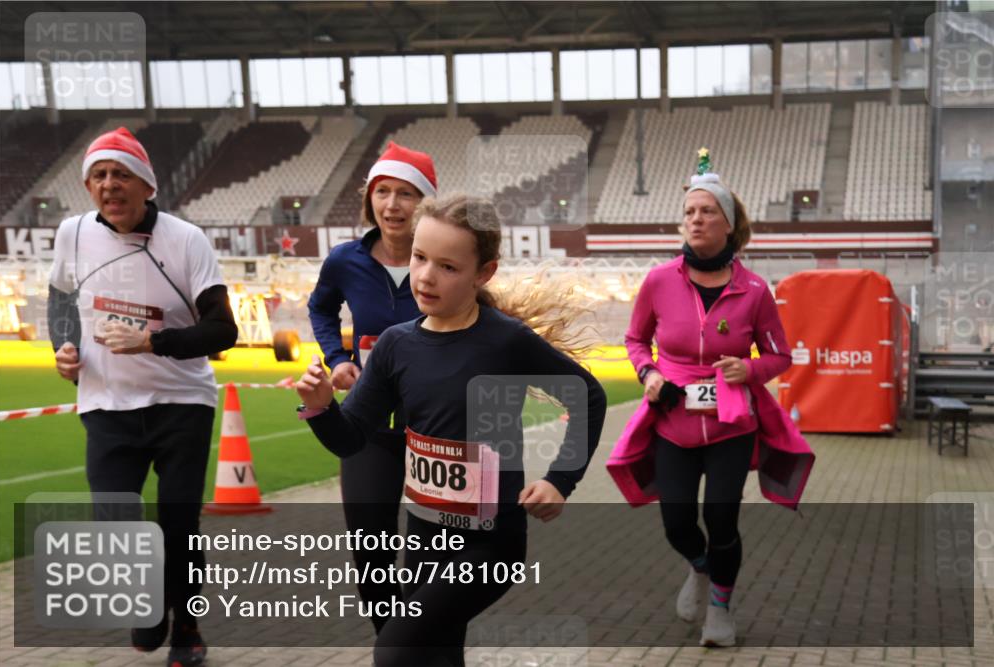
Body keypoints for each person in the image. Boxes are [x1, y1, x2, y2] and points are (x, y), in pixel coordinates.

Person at [297, 194, 608, 666]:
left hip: (489, 545)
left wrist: (560, 479)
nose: (425, 276)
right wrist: (321, 409)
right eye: (420, 258)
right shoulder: (396, 345)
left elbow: (587, 396)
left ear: (484, 273)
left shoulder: (505, 341)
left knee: (395, 652)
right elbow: (351, 438)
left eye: (447, 267)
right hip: (425, 539)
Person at [48, 127, 237, 667]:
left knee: (179, 526)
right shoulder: (72, 233)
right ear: (88, 186)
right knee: (114, 520)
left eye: (121, 174)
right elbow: (60, 298)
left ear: (147, 185)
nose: (109, 184)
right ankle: (149, 603)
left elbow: (223, 330)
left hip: (182, 402)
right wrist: (63, 346)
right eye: (99, 175)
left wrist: (153, 342)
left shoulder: (186, 239)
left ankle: (188, 630)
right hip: (107, 402)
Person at [620, 149, 813, 647]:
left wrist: (749, 369)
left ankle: (721, 611)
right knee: (677, 522)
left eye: (707, 211)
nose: (696, 219)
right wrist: (648, 373)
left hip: (732, 425)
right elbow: (636, 340)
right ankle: (701, 567)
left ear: (728, 223)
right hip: (673, 423)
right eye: (689, 211)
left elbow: (780, 355)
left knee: (722, 519)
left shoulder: (755, 290)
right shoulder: (659, 281)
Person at [306, 141, 435, 633]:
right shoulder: (345, 261)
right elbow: (321, 308)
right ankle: (394, 646)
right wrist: (337, 358)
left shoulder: (444, 257)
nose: (392, 205)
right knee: (370, 550)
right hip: (368, 423)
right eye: (383, 192)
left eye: (407, 193)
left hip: (436, 429)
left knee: (434, 555)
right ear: (369, 199)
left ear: (427, 203)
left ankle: (429, 646)